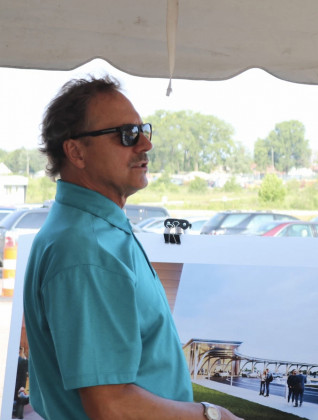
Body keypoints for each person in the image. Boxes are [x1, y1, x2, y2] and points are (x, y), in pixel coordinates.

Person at [23, 75, 241, 420]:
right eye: (127, 135)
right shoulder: (89, 249)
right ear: (76, 151)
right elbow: (111, 405)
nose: (145, 145)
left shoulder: (88, 230)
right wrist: (210, 415)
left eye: (144, 131)